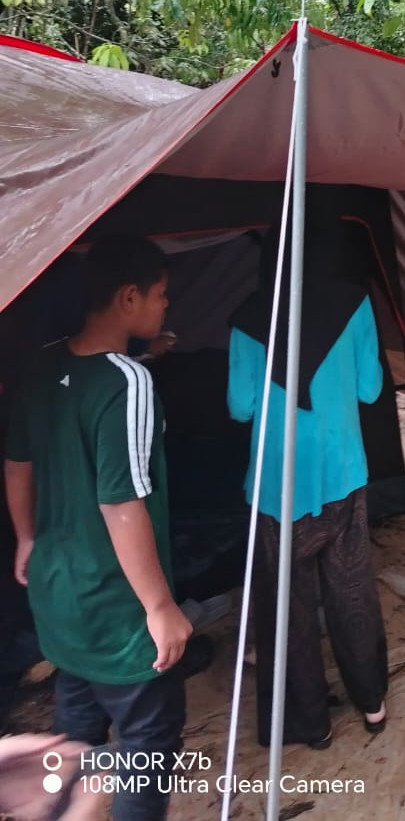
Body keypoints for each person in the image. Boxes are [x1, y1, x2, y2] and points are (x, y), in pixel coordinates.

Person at [3, 235, 192, 821]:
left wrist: (26, 537)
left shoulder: (43, 363)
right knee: (146, 746)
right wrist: (159, 606)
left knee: (74, 734)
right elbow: (121, 503)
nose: (166, 304)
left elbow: (18, 462)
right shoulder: (127, 383)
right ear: (129, 297)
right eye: (160, 295)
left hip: (58, 592)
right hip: (118, 608)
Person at [227, 219, 388, 750]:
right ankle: (372, 704)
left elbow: (240, 406)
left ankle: (310, 722)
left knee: (287, 610)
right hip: (342, 475)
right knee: (352, 590)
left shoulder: (249, 317)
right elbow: (369, 389)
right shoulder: (354, 304)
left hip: (276, 489)